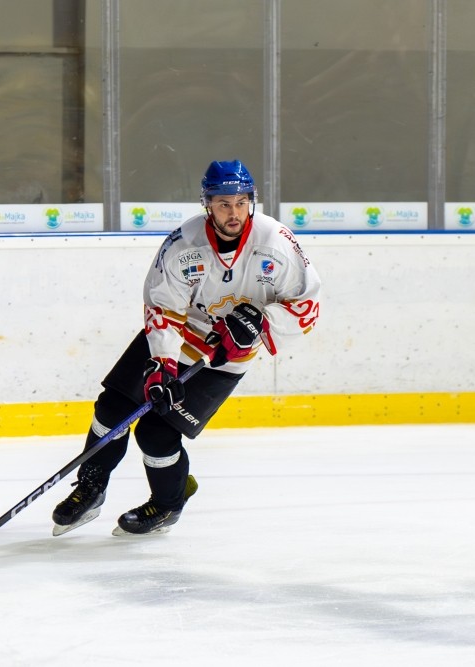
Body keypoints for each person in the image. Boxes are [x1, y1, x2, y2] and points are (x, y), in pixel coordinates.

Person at [51, 159, 321, 536]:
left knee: (156, 433)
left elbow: (307, 308)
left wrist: (262, 322)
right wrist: (162, 364)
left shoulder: (277, 244)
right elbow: (163, 309)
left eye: (241, 202)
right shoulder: (184, 244)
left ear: (252, 201)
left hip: (224, 357)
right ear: (207, 204)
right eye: (223, 203)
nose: (233, 212)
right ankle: (91, 487)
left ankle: (167, 504)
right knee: (113, 407)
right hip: (179, 336)